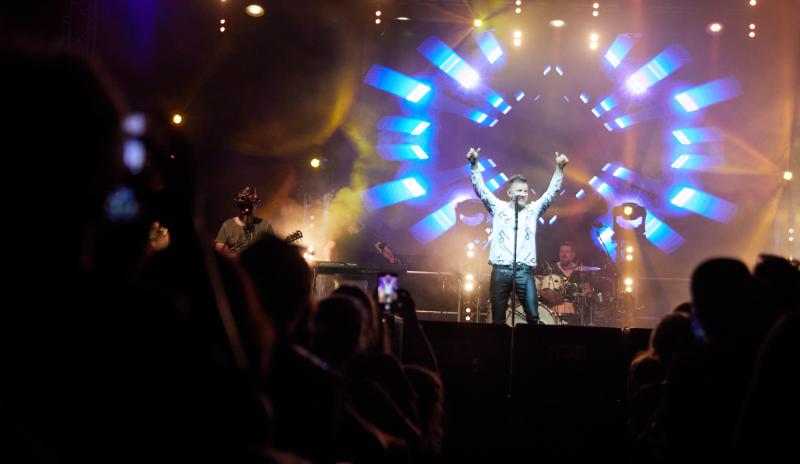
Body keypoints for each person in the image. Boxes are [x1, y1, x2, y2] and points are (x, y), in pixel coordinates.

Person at [467, 147, 568, 324]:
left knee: (533, 317)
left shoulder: (532, 210)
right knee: (498, 319)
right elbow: (481, 189)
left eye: (525, 191)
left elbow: (551, 194)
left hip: (524, 271)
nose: (522, 194)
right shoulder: (498, 207)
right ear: (509, 193)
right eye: (518, 191)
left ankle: (530, 343)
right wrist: (474, 165)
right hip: (500, 270)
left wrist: (559, 170)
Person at [540, 241, 593, 324]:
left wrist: (588, 292)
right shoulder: (551, 269)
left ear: (573, 254)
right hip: (553, 313)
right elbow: (542, 292)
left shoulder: (580, 271)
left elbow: (588, 293)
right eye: (561, 251)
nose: (563, 254)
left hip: (575, 315)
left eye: (567, 252)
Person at [214, 186, 274, 256]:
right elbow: (218, 249)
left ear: (256, 203)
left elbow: (273, 250)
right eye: (243, 199)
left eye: (251, 199)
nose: (247, 204)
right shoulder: (227, 225)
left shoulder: (265, 225)